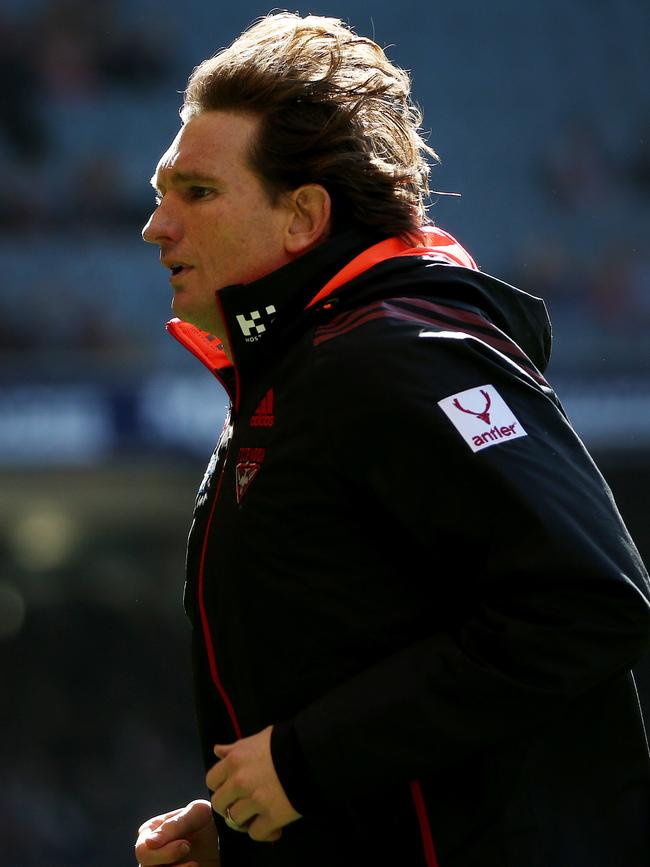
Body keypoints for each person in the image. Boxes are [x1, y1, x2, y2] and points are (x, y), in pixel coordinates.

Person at [135, 12, 650, 867]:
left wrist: (301, 769)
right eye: (161, 190)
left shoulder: (399, 357)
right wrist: (257, 827)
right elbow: (365, 673)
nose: (157, 226)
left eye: (196, 192)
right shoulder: (304, 372)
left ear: (302, 217)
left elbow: (587, 602)